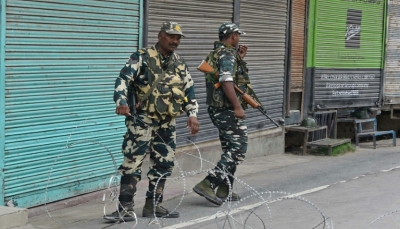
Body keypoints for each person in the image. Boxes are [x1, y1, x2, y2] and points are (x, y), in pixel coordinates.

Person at [104, 21, 199, 222]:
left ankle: (154, 206)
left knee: (164, 163)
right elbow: (123, 79)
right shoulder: (142, 57)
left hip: (167, 122)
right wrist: (121, 101)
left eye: (178, 37)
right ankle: (125, 208)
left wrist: (193, 114)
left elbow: (188, 91)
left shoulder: (180, 63)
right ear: (160, 35)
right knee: (133, 162)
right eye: (171, 36)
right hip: (142, 120)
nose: (175, 40)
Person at [193, 22, 260, 206]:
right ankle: (209, 183)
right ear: (233, 36)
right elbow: (226, 80)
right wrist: (237, 107)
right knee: (238, 149)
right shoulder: (227, 53)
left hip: (219, 109)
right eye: (238, 35)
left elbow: (229, 75)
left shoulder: (219, 53)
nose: (239, 39)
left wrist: (240, 59)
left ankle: (225, 188)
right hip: (227, 109)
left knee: (230, 148)